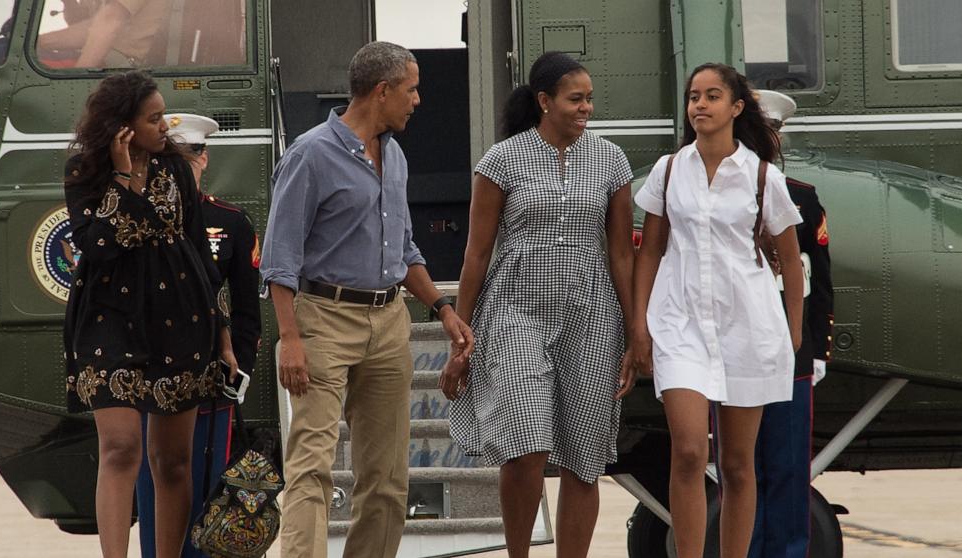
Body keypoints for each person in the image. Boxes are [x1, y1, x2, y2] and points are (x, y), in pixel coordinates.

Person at [260, 41, 473, 558]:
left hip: (387, 321)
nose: (418, 100)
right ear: (382, 91)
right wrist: (290, 337)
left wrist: (443, 309)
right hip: (323, 320)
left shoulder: (394, 155)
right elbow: (279, 256)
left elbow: (404, 251)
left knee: (386, 478)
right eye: (411, 88)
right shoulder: (310, 154)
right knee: (311, 466)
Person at [440, 51, 636, 558]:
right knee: (527, 446)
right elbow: (477, 251)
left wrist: (637, 331)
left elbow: (620, 252)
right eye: (576, 99)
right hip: (514, 314)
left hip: (592, 317)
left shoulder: (612, 161)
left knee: (584, 455)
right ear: (544, 101)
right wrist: (460, 331)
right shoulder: (501, 160)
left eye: (590, 98)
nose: (586, 107)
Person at [630, 63, 805, 558]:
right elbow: (650, 251)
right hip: (679, 323)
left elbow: (791, 262)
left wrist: (790, 335)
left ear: (736, 107)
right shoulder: (668, 170)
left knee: (737, 464)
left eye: (711, 96)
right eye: (693, 97)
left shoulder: (763, 176)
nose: (699, 105)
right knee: (688, 450)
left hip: (748, 327)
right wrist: (639, 326)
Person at [63, 70, 235, 558]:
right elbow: (98, 246)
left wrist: (222, 336)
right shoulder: (85, 172)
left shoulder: (176, 169)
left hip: (180, 316)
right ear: (122, 126)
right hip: (108, 319)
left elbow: (201, 251)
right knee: (120, 449)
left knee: (173, 461)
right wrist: (120, 174)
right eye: (154, 118)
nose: (165, 127)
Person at [134, 113, 262, 558]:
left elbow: (248, 312)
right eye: (171, 157)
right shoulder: (139, 217)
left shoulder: (229, 221)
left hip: (212, 381)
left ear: (204, 159)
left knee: (209, 495)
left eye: (189, 156)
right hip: (153, 375)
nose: (180, 166)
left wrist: (238, 374)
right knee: (154, 488)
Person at [740, 90, 833, 558]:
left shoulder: (801, 197)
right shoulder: (719, 191)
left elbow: (820, 281)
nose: (766, 140)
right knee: (741, 469)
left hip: (790, 347)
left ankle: (789, 552)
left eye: (771, 132)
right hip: (738, 345)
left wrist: (817, 350)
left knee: (789, 466)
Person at [37, 0, 170, 68]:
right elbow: (89, 28)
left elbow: (110, 21)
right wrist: (39, 43)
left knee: (37, 66)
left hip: (120, 64)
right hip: (103, 54)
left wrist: (75, 75)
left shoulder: (112, 15)